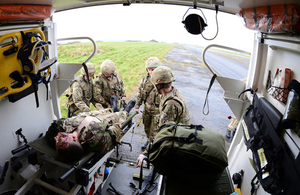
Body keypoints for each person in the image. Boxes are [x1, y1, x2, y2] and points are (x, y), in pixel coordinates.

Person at [46, 99, 136, 162]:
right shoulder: (93, 138)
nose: (55, 137)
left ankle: (113, 107)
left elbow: (51, 131)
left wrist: (56, 137)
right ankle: (126, 110)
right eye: (59, 140)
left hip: (88, 115)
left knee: (106, 110)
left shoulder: (63, 129)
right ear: (73, 138)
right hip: (104, 120)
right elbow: (112, 136)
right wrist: (116, 127)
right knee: (120, 115)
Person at [136, 65, 191, 167]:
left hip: (178, 143)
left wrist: (145, 154)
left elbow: (163, 133)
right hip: (179, 135)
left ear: (159, 85)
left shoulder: (171, 103)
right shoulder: (173, 92)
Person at [134, 57, 162, 150]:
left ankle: (151, 147)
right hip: (147, 109)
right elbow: (140, 94)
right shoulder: (145, 80)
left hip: (157, 111)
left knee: (155, 130)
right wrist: (137, 106)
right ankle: (149, 140)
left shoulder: (162, 80)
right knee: (147, 128)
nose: (151, 71)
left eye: (153, 69)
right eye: (149, 69)